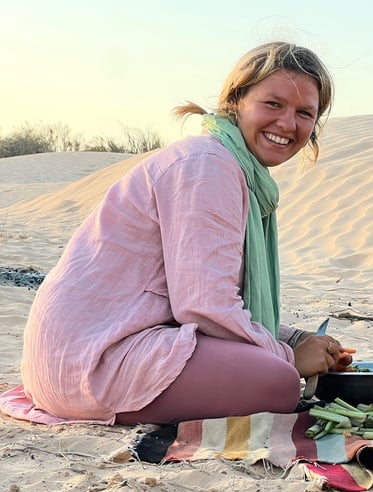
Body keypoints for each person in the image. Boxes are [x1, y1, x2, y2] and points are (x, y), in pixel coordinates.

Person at [0, 42, 353, 426]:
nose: (287, 123)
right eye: (273, 104)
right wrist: (289, 357)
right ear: (236, 101)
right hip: (93, 359)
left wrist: (295, 337)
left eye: (304, 113)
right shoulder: (209, 165)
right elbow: (204, 306)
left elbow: (209, 301)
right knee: (279, 382)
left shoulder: (235, 170)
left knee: (273, 370)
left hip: (83, 353)